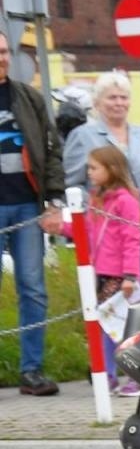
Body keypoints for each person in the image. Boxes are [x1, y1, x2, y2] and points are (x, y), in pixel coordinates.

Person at [64, 71, 140, 297]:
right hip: (110, 236)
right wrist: (98, 209)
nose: (119, 103)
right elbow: (72, 184)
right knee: (117, 303)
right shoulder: (83, 136)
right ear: (97, 102)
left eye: (123, 97)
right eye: (112, 97)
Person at [0, 30, 66, 396]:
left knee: (34, 290)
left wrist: (54, 201)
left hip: (27, 204)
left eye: (6, 51)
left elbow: (52, 150)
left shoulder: (28, 98)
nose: (3, 58)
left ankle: (32, 370)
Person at [84, 145, 140, 397]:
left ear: (111, 169)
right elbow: (88, 231)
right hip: (99, 271)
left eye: (93, 167)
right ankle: (106, 375)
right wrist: (65, 226)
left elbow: (132, 238)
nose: (89, 172)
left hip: (119, 275)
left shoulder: (126, 201)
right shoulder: (96, 199)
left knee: (120, 327)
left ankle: (137, 377)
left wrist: (130, 275)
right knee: (101, 324)